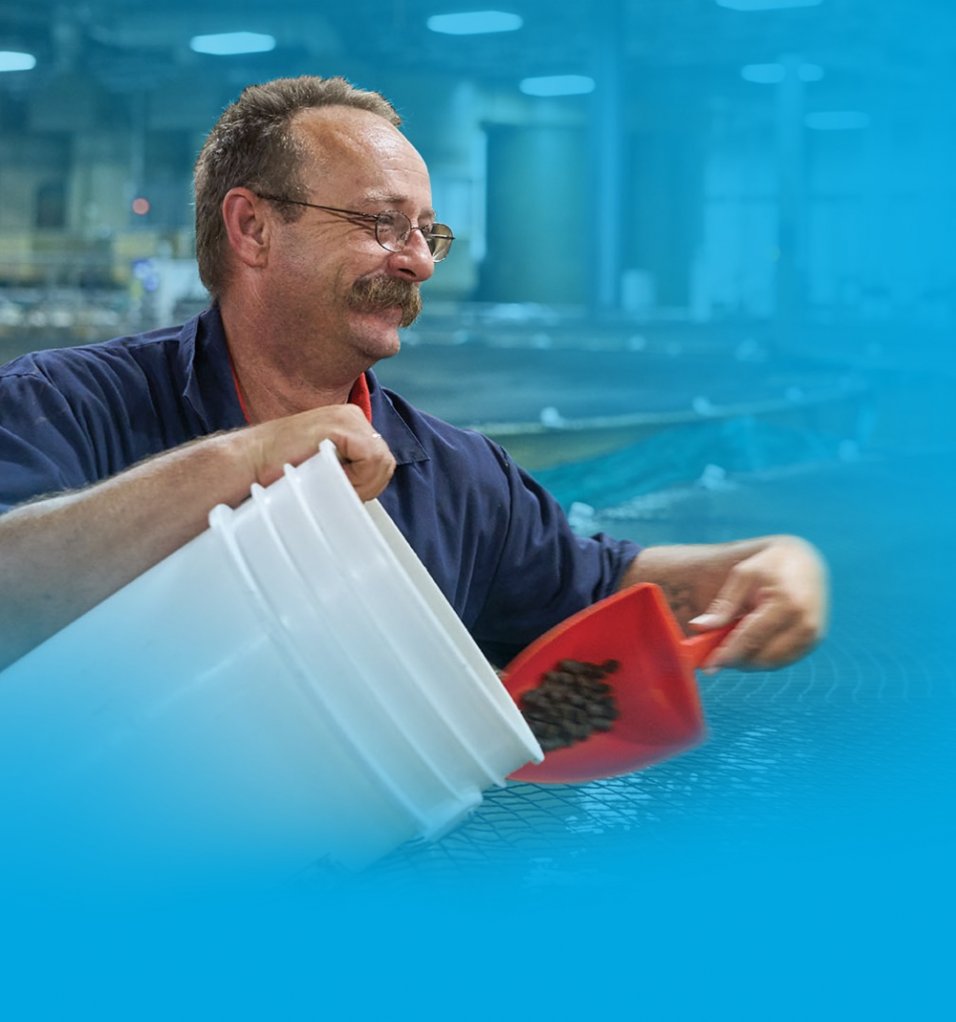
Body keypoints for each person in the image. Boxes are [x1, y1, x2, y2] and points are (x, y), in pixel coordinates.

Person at [0, 75, 827, 676]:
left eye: (429, 234)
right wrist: (241, 462)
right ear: (252, 227)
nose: (419, 264)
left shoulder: (459, 480)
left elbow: (608, 587)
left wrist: (770, 566)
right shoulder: (67, 405)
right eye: (381, 224)